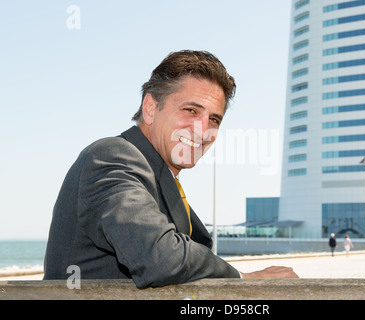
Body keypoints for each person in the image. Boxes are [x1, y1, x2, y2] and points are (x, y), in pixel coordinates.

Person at [43, 50, 298, 288]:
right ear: (151, 109)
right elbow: (160, 257)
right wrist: (242, 277)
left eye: (214, 119)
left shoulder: (155, 175)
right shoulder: (111, 156)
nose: (203, 130)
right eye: (191, 110)